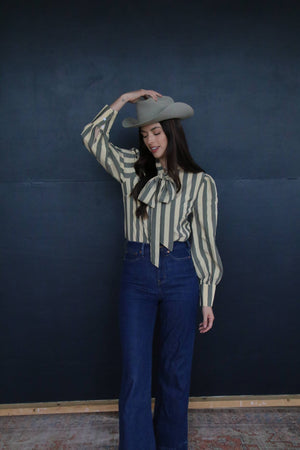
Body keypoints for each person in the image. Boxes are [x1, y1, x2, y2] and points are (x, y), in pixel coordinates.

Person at [81, 89, 223, 450]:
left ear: (172, 131)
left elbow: (205, 243)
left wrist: (207, 297)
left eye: (156, 132)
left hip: (180, 275)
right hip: (136, 274)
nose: (150, 140)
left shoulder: (200, 181)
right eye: (145, 134)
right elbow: (91, 137)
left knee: (175, 372)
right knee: (134, 374)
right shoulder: (131, 167)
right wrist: (122, 99)